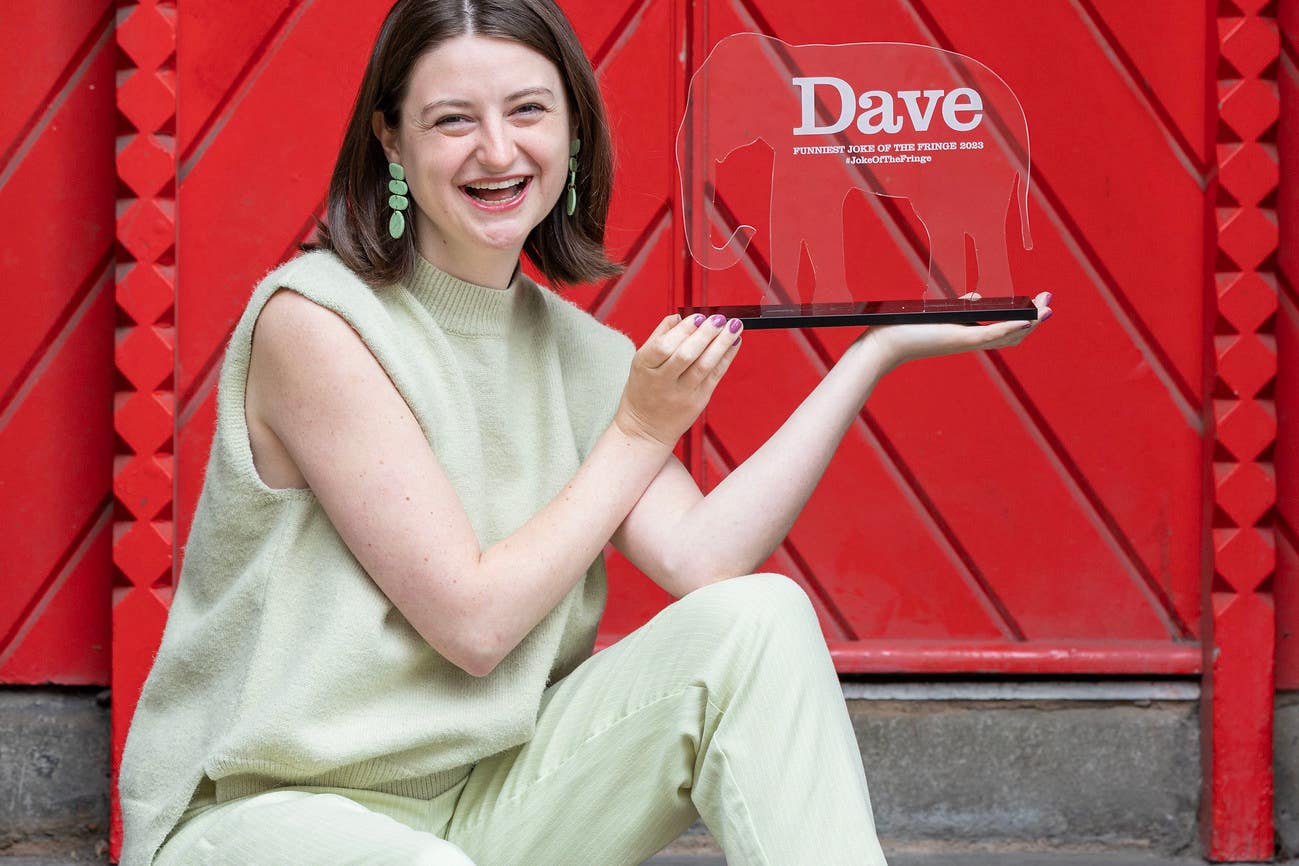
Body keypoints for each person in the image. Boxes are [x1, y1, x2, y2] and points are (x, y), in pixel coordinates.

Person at [117, 1, 1052, 864]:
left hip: (490, 803)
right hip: (271, 813)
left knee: (759, 620)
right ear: (390, 142)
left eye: (528, 110)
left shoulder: (580, 352)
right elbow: (472, 624)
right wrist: (640, 430)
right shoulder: (317, 322)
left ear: (571, 130)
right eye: (452, 120)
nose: (496, 150)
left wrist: (873, 353)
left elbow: (701, 561)